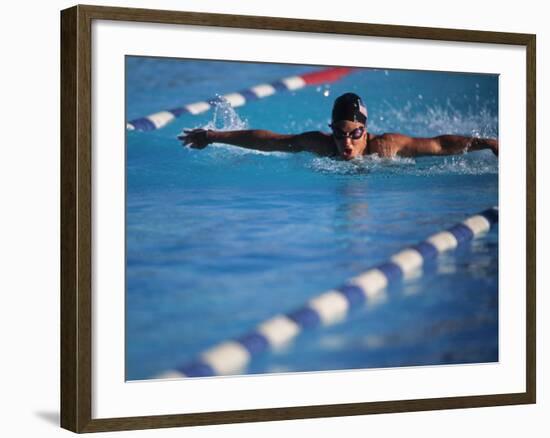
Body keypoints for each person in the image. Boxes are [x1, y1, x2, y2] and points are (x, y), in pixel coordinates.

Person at [178, 93, 498, 160]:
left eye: (355, 134)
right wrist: (213, 136)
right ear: (331, 130)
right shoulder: (320, 144)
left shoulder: (386, 146)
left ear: (366, 132)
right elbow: (269, 141)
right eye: (340, 134)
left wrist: (487, 143)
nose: (346, 142)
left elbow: (439, 145)